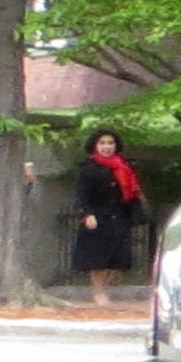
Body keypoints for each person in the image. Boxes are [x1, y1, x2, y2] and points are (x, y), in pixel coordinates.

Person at [70, 129, 148, 306]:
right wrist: (86, 214)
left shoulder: (123, 166)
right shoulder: (88, 168)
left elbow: (130, 191)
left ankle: (104, 287)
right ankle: (98, 292)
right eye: (102, 143)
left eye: (110, 143)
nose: (106, 147)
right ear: (95, 146)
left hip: (119, 216)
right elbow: (81, 194)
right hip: (98, 217)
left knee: (116, 258)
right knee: (97, 259)